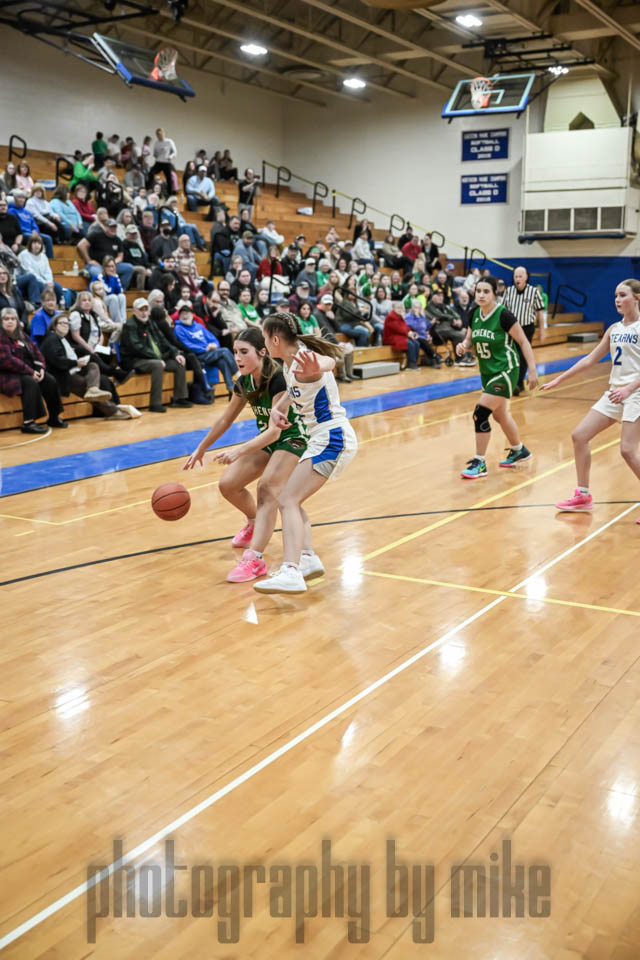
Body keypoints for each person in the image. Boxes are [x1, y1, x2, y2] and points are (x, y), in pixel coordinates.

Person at [184, 327, 308, 581]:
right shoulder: (244, 381)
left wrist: (239, 450)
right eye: (235, 352)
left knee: (267, 488)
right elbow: (226, 419)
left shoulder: (278, 379)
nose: (237, 358)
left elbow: (275, 431)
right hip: (269, 440)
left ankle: (255, 559)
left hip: (294, 439)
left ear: (262, 352)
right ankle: (254, 522)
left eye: (243, 352)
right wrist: (201, 448)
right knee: (228, 484)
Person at [252, 312, 358, 593]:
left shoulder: (303, 359)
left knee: (287, 498)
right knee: (291, 498)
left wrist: (322, 363)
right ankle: (307, 558)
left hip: (332, 437)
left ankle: (291, 570)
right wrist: (278, 408)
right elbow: (294, 388)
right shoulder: (290, 364)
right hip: (322, 438)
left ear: (275, 340)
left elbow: (327, 363)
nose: (264, 343)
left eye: (264, 338)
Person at [543, 279, 640, 517]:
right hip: (615, 392)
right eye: (615, 295)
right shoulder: (614, 329)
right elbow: (589, 360)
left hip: (635, 392)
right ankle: (583, 496)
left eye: (623, 295)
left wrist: (629, 389)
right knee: (579, 436)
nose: (617, 300)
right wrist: (559, 379)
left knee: (627, 450)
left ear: (637, 298)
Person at [455, 275, 538, 479]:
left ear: (494, 294)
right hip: (487, 372)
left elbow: (523, 341)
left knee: (480, 413)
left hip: (506, 369)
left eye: (486, 291)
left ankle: (480, 462)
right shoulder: (474, 313)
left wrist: (533, 370)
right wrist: (463, 346)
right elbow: (470, 339)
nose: (481, 295)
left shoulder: (504, 315)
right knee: (500, 415)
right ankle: (519, 450)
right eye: (478, 291)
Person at [40, 314, 128, 419]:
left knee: (93, 365)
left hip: (72, 370)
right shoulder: (52, 339)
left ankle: (93, 389)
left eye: (67, 323)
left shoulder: (62, 339)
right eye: (61, 323)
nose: (65, 326)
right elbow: (58, 361)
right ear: (54, 326)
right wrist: (76, 363)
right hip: (61, 376)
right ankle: (113, 411)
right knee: (86, 385)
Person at [0, 306, 65, 432]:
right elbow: (8, 361)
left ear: (17, 321)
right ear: (1, 322)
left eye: (13, 318)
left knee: (50, 380)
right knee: (30, 382)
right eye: (6, 319)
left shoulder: (22, 336)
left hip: (27, 372)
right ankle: (28, 423)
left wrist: (41, 368)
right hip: (7, 375)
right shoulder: (1, 337)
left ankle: (54, 416)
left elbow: (37, 353)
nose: (10, 321)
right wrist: (30, 372)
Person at [119, 298, 191, 412]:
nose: (144, 313)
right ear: (134, 311)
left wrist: (175, 353)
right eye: (141, 310)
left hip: (155, 358)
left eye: (146, 309)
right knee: (157, 365)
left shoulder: (151, 323)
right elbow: (137, 348)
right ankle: (155, 403)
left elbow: (163, 340)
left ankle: (179, 398)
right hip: (135, 360)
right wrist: (157, 358)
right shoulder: (130, 326)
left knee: (179, 363)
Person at [173, 300, 237, 396]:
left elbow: (212, 338)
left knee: (222, 362)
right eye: (182, 314)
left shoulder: (198, 326)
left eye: (187, 313)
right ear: (179, 316)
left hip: (209, 353)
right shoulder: (178, 328)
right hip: (196, 356)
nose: (185, 316)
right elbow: (186, 345)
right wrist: (205, 348)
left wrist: (215, 345)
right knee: (224, 351)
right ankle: (237, 373)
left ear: (192, 315)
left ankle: (230, 387)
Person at [502, 266, 547, 395]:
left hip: (527, 328)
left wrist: (542, 330)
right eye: (515, 276)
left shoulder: (533, 292)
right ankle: (511, 381)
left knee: (523, 356)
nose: (517, 279)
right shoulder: (508, 291)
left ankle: (518, 383)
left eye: (520, 276)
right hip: (511, 328)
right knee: (512, 355)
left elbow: (540, 312)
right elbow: (502, 311)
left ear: (526, 277)